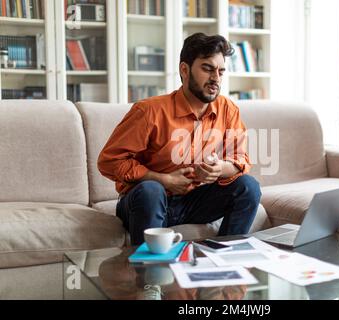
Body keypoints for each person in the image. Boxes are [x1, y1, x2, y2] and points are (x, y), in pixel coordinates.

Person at [98, 32, 262, 245]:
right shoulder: (149, 111)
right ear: (184, 70)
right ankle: (149, 271)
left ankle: (223, 255)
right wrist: (164, 179)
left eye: (221, 71)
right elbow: (109, 162)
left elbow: (241, 160)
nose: (216, 78)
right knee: (151, 190)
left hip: (195, 201)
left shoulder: (228, 110)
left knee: (248, 187)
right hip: (147, 202)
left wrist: (219, 168)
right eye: (207, 68)